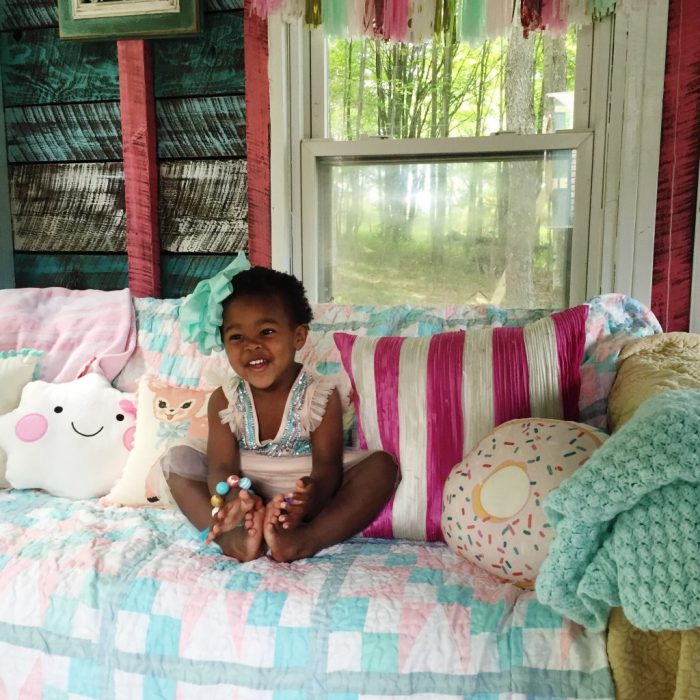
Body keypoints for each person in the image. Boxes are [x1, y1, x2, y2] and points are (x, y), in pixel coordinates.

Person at [167, 264, 398, 563]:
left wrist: (308, 502)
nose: (252, 345)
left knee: (381, 467)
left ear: (298, 337)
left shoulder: (319, 396)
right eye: (237, 337)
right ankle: (232, 537)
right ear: (223, 343)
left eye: (266, 331)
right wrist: (235, 499)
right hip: (246, 483)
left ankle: (304, 538)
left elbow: (328, 467)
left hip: (304, 483)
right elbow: (221, 466)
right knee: (178, 464)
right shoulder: (225, 400)